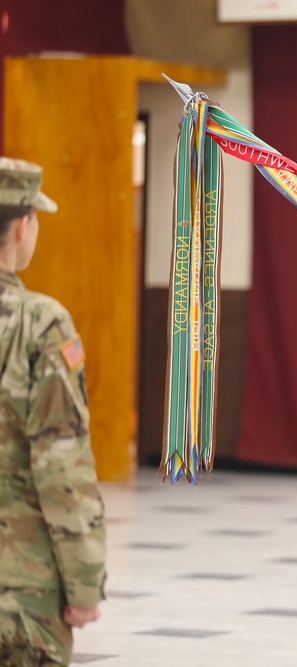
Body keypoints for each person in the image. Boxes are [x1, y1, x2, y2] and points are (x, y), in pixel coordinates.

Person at [0, 157, 106, 666]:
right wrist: (84, 581)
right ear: (22, 225)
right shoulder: (40, 324)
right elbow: (59, 465)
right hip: (18, 592)